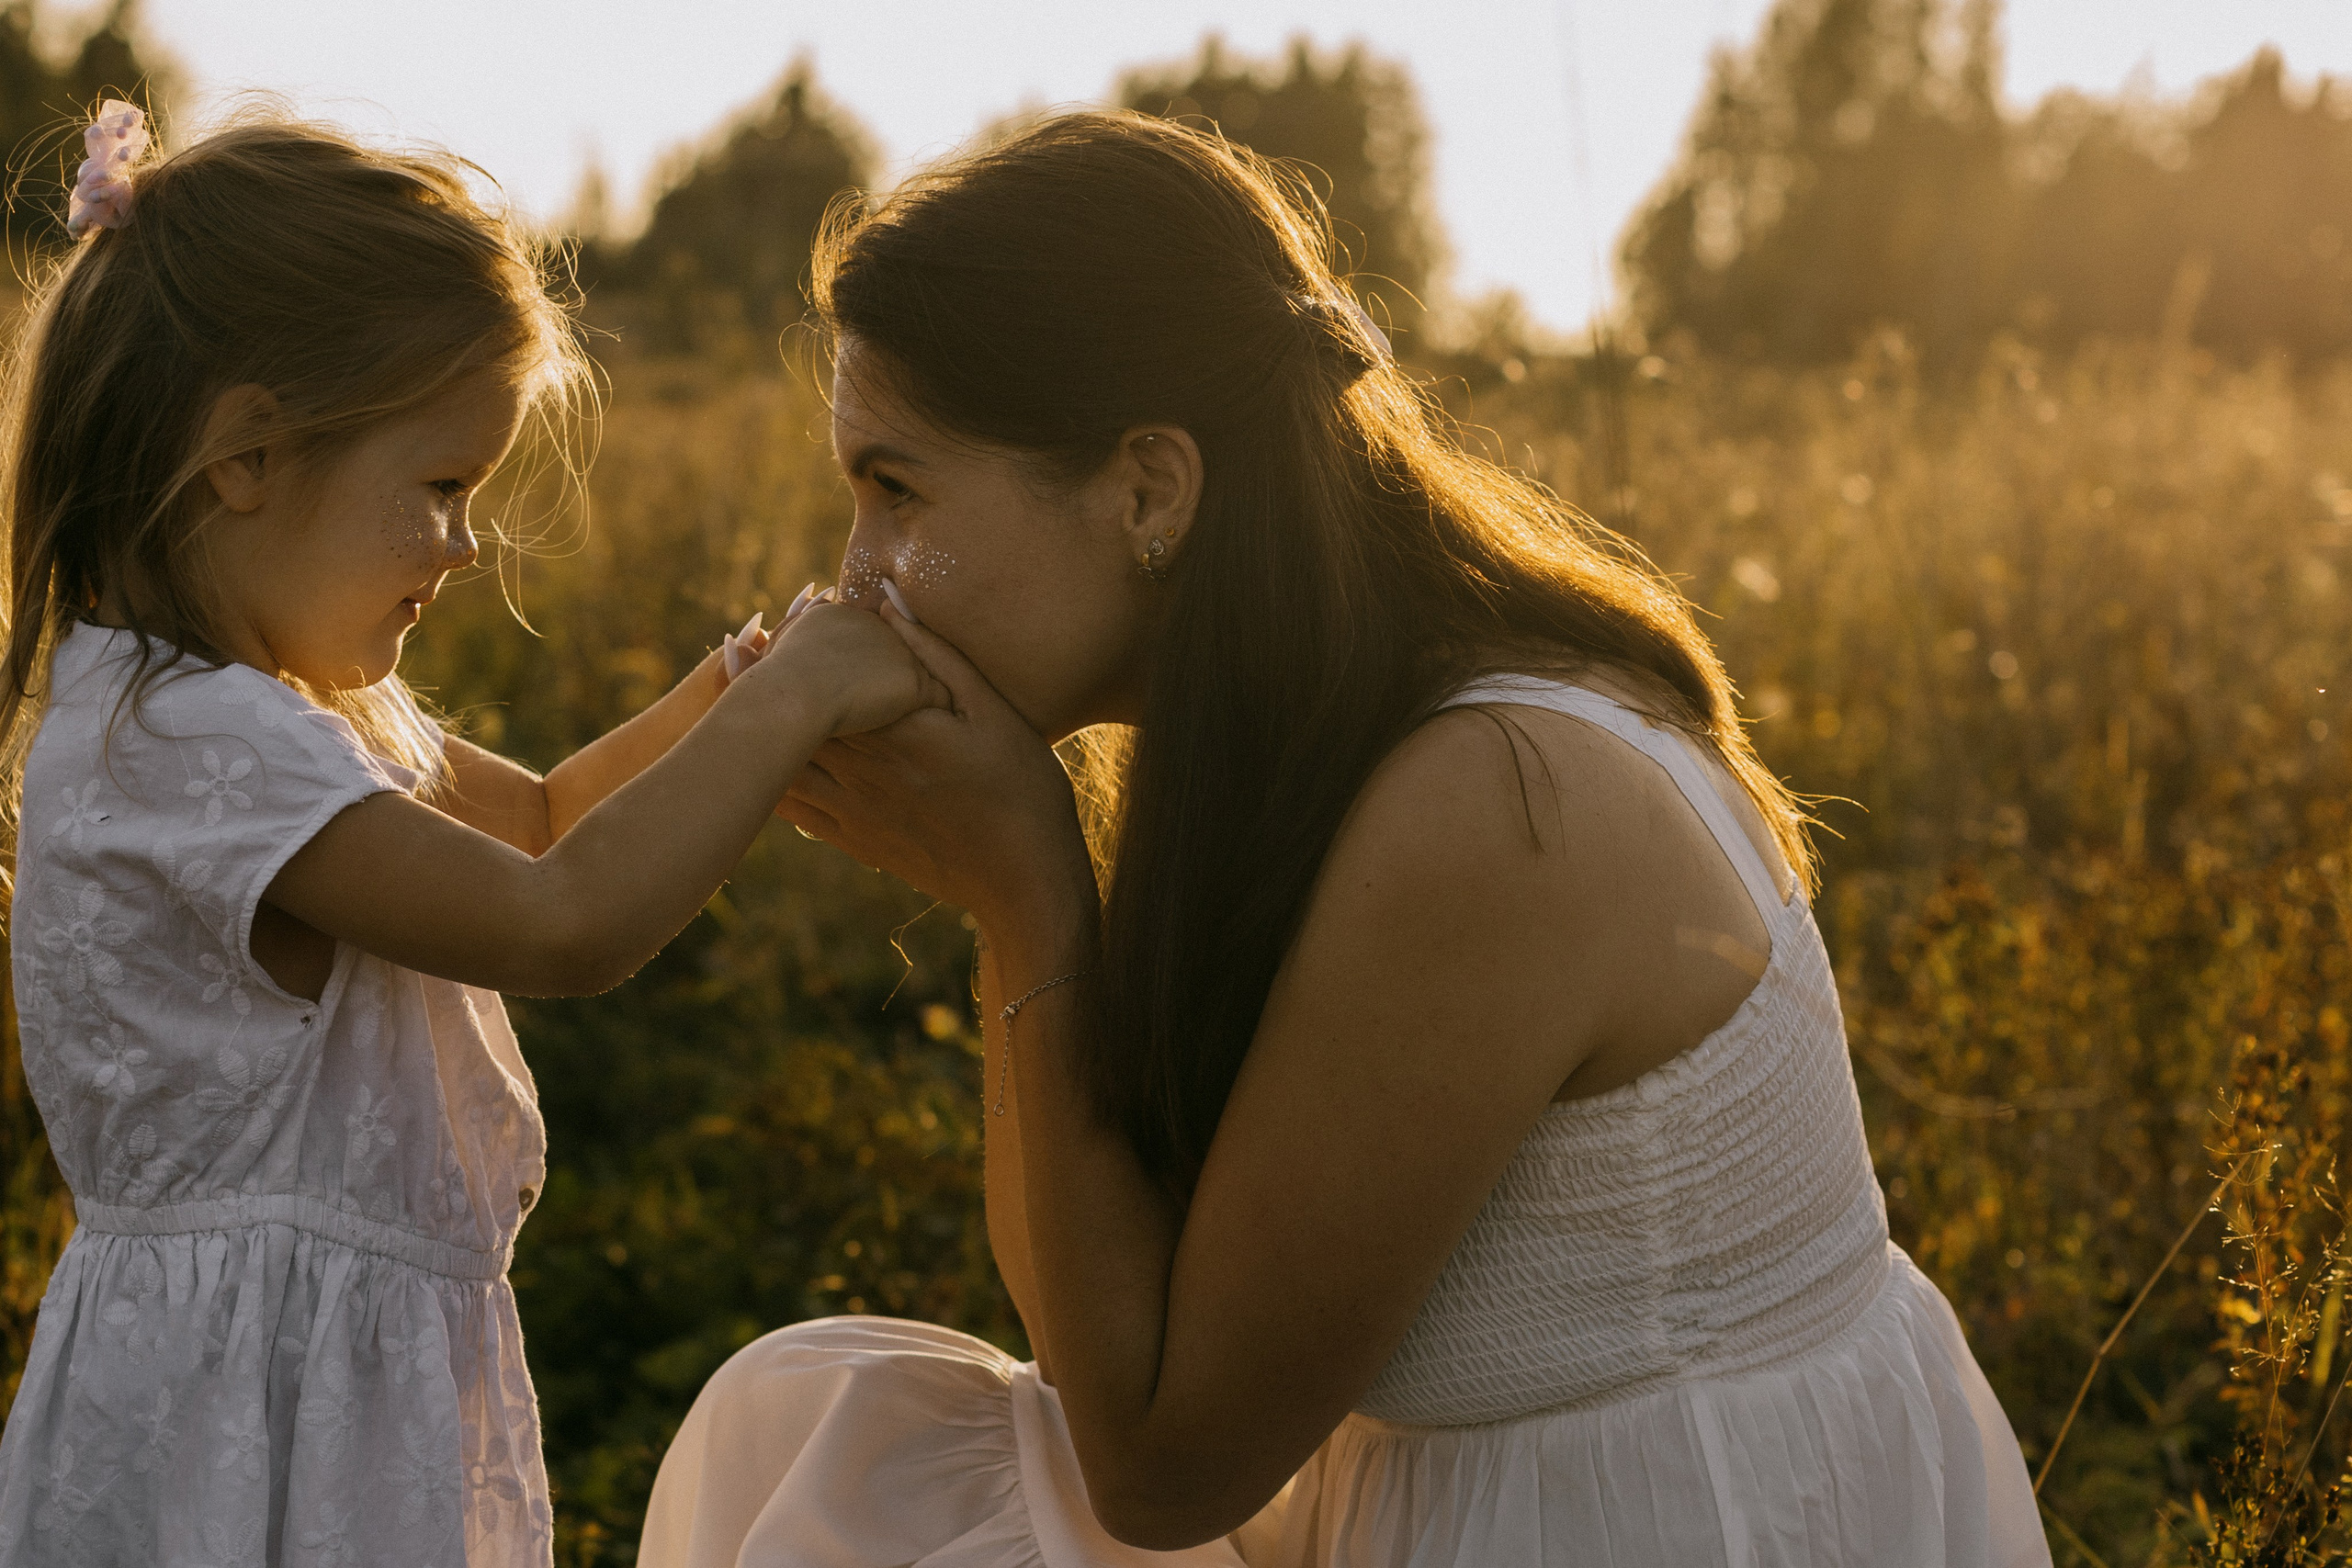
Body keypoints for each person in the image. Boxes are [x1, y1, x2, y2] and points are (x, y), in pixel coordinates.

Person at [639, 111, 2051, 1566]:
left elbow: (1162, 1469)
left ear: (1147, 488)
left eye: (897, 490)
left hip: (1669, 1523)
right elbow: (1098, 1346)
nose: (859, 576)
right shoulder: (1299, 731)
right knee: (824, 1422)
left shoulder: (1496, 804)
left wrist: (1025, 892)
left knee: (857, 1479)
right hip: (1475, 1503)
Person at [0, 105, 940, 1567]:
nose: (464, 544)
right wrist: (800, 703)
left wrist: (746, 680)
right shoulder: (195, 744)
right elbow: (561, 920)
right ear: (246, 455)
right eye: (440, 488)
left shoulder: (272, 717)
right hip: (249, 1420)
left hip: (327, 1385)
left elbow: (554, 817)